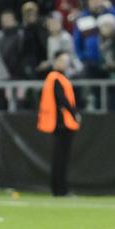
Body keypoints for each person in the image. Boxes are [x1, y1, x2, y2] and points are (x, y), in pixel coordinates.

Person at [37, 51, 81, 197]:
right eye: (62, 60)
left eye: (66, 61)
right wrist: (74, 113)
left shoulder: (59, 78)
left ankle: (59, 189)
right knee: (60, 159)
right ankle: (60, 190)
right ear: (55, 61)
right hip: (61, 123)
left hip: (62, 123)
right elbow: (62, 99)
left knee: (60, 159)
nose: (64, 63)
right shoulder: (55, 77)